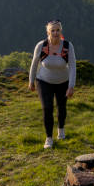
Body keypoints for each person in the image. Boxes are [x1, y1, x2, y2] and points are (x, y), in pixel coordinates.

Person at [28, 20, 76, 149]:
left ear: (61, 31)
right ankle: (49, 138)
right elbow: (34, 64)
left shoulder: (67, 45)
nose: (55, 33)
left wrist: (71, 86)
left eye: (57, 30)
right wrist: (31, 81)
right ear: (48, 32)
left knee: (62, 107)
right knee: (47, 108)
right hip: (44, 81)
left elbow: (72, 66)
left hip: (63, 82)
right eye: (52, 30)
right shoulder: (41, 45)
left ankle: (61, 129)